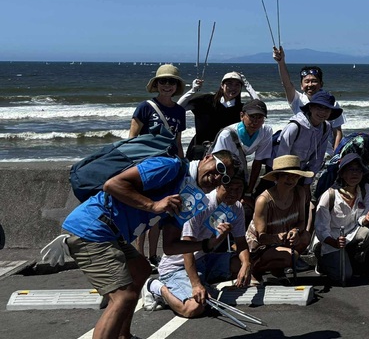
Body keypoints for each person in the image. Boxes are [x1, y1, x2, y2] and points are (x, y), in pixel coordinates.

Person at [61, 151, 237, 339]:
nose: (217, 178)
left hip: (114, 235)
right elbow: (112, 184)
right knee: (123, 297)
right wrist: (153, 205)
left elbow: (170, 246)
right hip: (92, 227)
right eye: (219, 168)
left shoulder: (191, 196)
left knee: (141, 269)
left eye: (223, 178)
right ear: (207, 157)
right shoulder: (171, 167)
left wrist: (206, 245)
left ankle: (123, 336)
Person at [144, 174, 252, 317]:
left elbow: (241, 242)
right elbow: (187, 248)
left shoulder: (237, 207)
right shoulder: (202, 205)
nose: (233, 193)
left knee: (244, 264)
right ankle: (155, 286)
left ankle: (200, 284)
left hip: (204, 259)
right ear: (218, 186)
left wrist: (246, 264)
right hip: (178, 266)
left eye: (238, 189)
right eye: (229, 188)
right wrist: (195, 284)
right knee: (194, 308)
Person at [130, 64, 189, 266]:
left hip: (168, 168)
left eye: (171, 82)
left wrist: (182, 165)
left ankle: (153, 256)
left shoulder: (180, 111)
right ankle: (140, 256)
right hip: (146, 167)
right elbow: (132, 138)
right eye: (163, 81)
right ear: (156, 84)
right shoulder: (145, 107)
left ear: (176, 86)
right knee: (144, 212)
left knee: (159, 214)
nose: (167, 85)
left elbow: (178, 142)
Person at [313, 153, 369, 284]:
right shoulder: (330, 195)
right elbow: (321, 228)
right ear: (342, 173)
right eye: (350, 169)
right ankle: (322, 261)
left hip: (351, 234)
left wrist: (368, 218)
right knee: (344, 276)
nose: (355, 174)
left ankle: (351, 258)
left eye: (358, 170)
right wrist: (334, 242)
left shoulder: (365, 189)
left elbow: (362, 219)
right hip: (330, 240)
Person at [246, 155, 312, 279]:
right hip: (260, 247)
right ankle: (254, 268)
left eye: (295, 176)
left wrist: (295, 231)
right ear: (277, 177)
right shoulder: (263, 200)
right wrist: (276, 238)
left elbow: (302, 221)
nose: (291, 180)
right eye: (286, 175)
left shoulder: (300, 192)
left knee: (305, 237)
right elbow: (261, 238)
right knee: (289, 256)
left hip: (284, 239)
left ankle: (277, 269)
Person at [272, 48, 348, 151]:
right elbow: (287, 84)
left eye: (314, 81)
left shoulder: (332, 103)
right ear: (301, 85)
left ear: (321, 84)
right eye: (306, 81)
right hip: (300, 152)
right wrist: (281, 63)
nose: (310, 85)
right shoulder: (297, 99)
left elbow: (337, 131)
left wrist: (336, 154)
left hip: (325, 152)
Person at [178, 71, 260, 160]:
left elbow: (259, 107)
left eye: (237, 85)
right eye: (229, 84)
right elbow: (178, 107)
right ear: (222, 85)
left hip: (227, 154)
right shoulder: (206, 100)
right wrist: (193, 90)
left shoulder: (241, 109)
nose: (233, 88)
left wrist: (248, 86)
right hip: (200, 151)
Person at [273, 89, 340, 190]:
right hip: (280, 169)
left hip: (300, 170)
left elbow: (318, 158)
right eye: (319, 107)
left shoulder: (325, 127)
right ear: (310, 107)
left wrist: (307, 183)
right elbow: (282, 156)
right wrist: (281, 180)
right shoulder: (295, 126)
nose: (323, 112)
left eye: (327, 109)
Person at [210, 100, 273, 197]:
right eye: (252, 116)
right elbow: (218, 166)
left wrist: (249, 190)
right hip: (223, 168)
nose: (255, 121)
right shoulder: (227, 135)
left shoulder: (266, 131)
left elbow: (258, 161)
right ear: (242, 115)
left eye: (260, 117)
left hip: (239, 168)